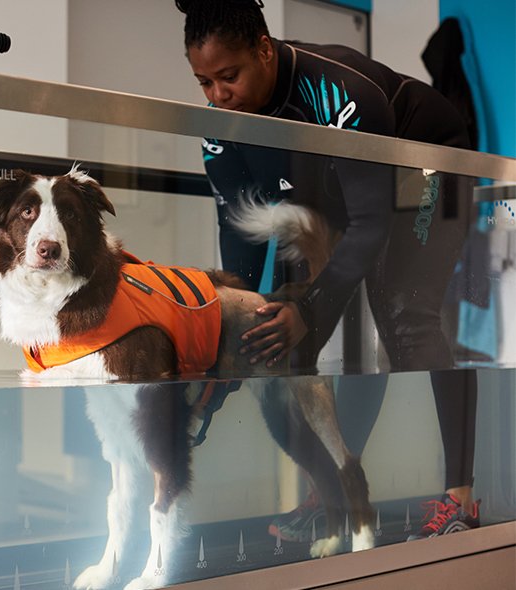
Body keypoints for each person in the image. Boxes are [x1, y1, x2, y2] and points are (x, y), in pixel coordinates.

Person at [175, 0, 480, 540]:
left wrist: (310, 310)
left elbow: (370, 224)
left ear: (264, 51)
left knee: (403, 313)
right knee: (290, 334)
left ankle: (460, 498)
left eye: (229, 76)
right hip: (331, 191)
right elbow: (241, 234)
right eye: (203, 82)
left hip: (427, 158)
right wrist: (238, 325)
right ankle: (339, 486)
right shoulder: (220, 125)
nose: (217, 96)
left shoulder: (339, 91)